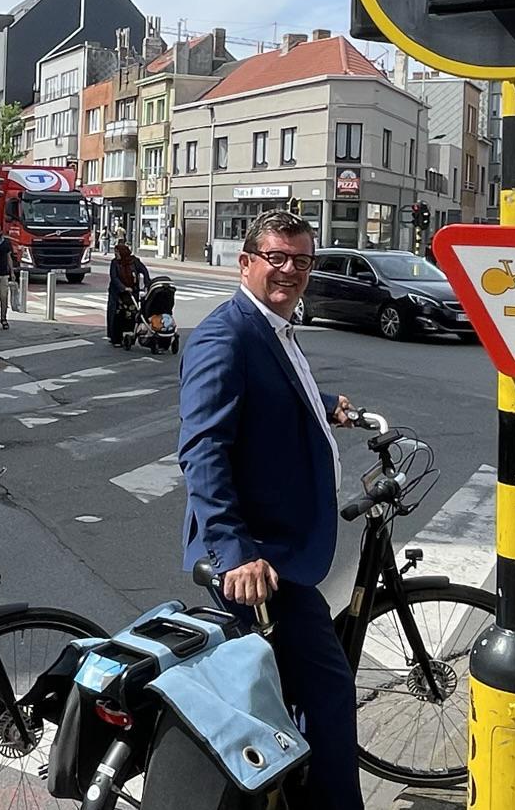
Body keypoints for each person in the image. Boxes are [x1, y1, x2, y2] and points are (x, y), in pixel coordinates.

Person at [177, 210, 358, 810]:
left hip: (280, 542)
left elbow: (274, 394)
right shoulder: (225, 335)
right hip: (259, 554)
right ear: (247, 262)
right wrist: (236, 551)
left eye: (301, 260)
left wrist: (325, 404)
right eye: (276, 258)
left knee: (286, 687)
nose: (290, 270)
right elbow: (203, 449)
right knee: (326, 686)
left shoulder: (275, 325)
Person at [106, 242, 149, 347]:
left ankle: (130, 334)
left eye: (117, 252)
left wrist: (147, 283)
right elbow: (114, 278)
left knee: (132, 314)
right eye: (115, 252)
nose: (116, 254)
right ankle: (116, 338)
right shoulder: (115, 263)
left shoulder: (134, 261)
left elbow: (144, 270)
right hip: (118, 294)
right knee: (117, 315)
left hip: (132, 292)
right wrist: (123, 288)